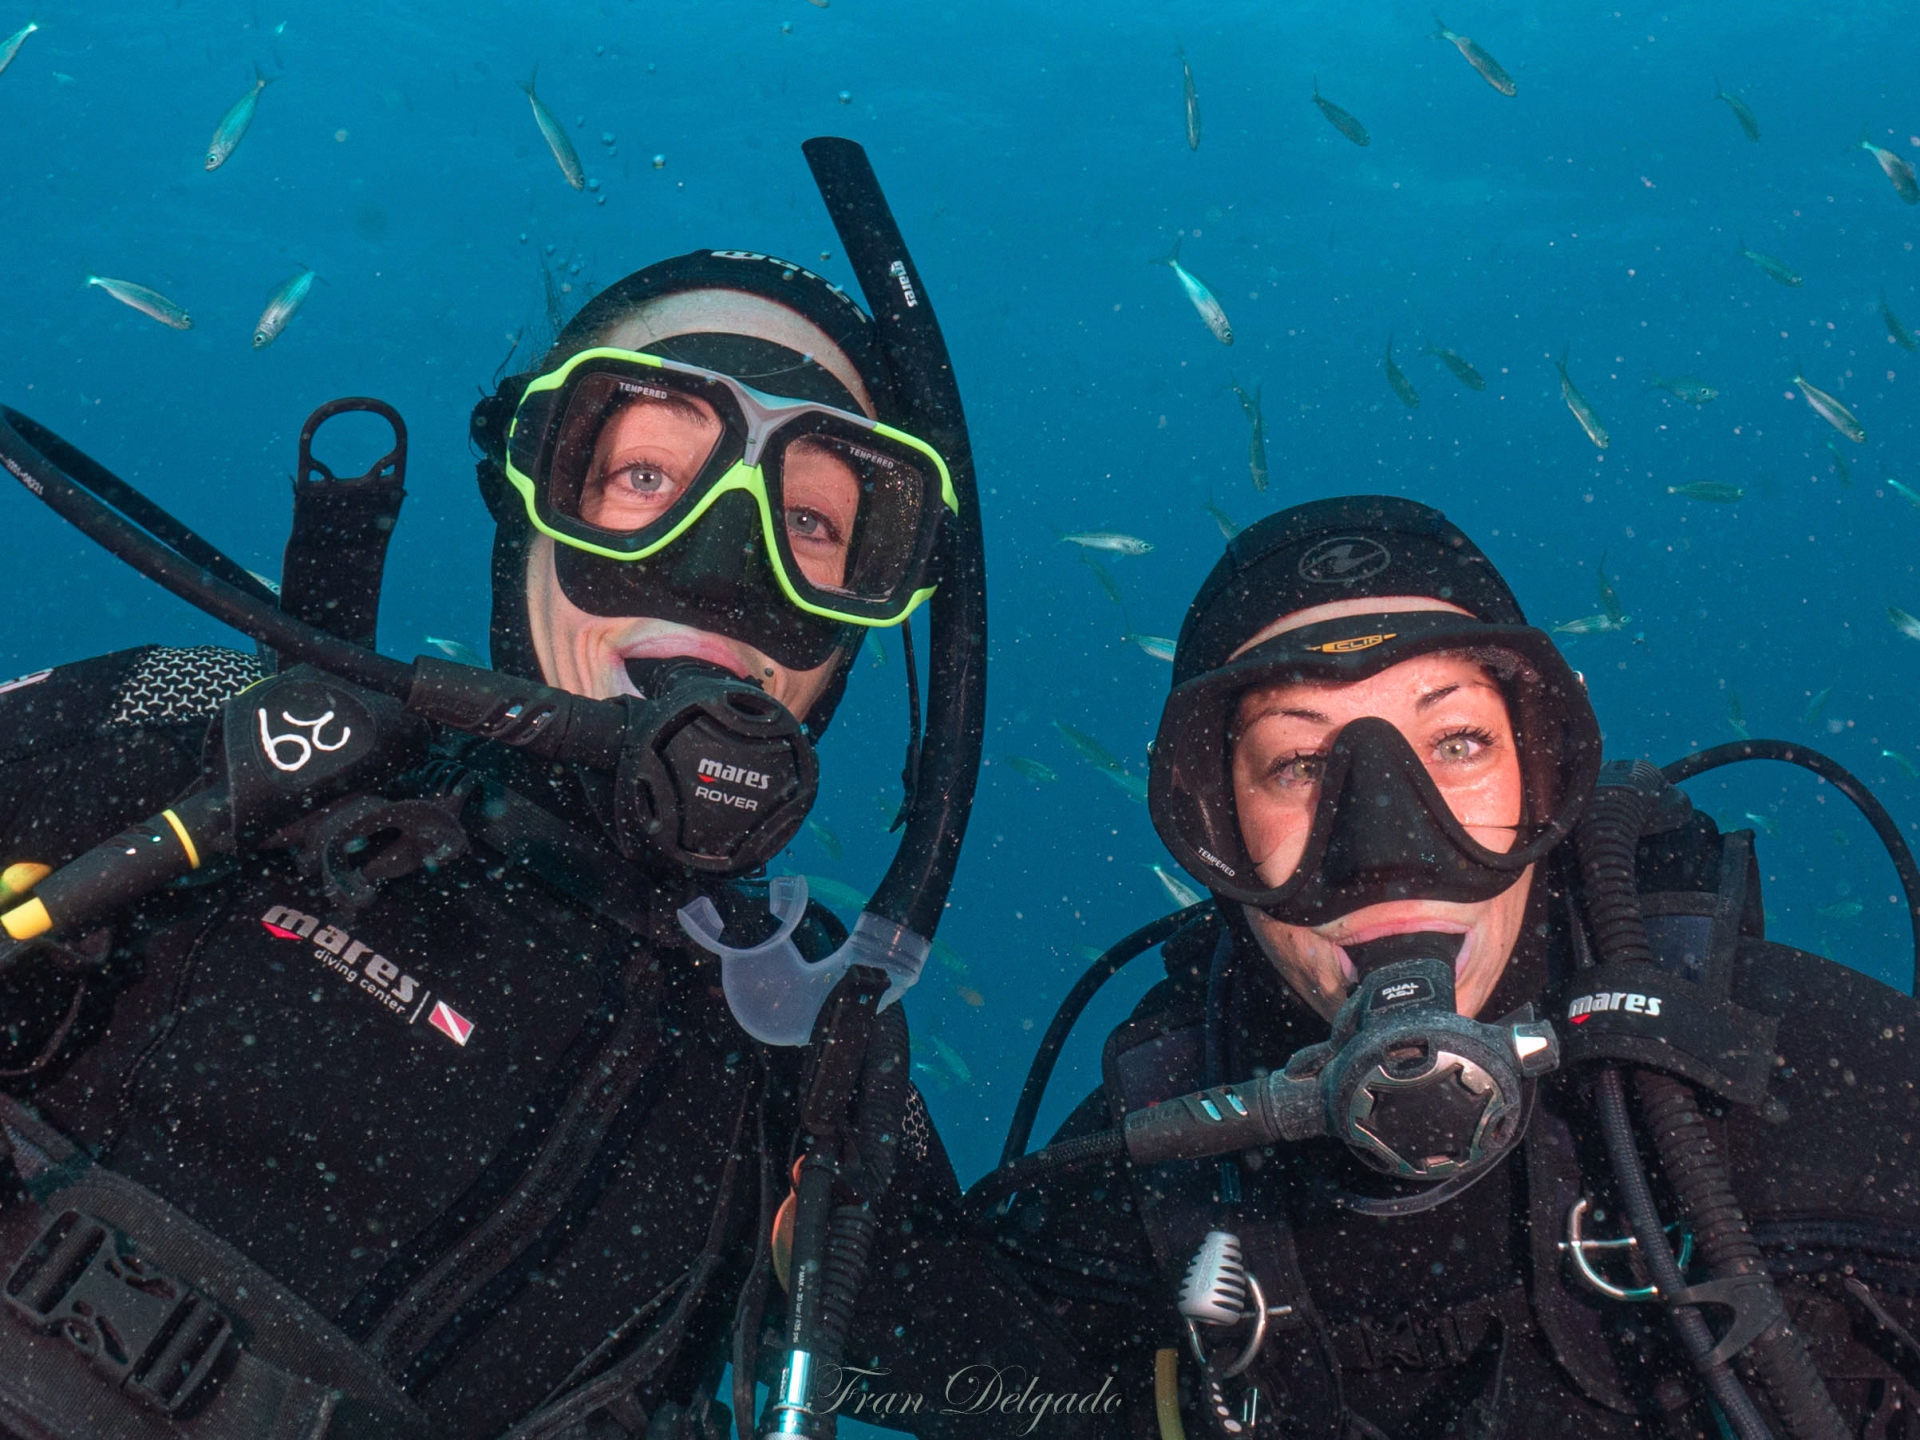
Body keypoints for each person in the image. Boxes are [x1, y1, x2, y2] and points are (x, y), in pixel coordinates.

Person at [0, 145, 999, 1440]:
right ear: (527, 511)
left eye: (810, 525)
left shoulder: (813, 1050)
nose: (717, 566)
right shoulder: (210, 738)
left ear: (863, 619)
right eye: (645, 477)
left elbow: (1076, 1365)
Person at [961, 496, 1920, 1439]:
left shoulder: (1827, 1079)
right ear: (1218, 831)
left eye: (1456, 742)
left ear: (1544, 773)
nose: (1387, 847)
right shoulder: (1133, 1189)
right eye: (1298, 764)